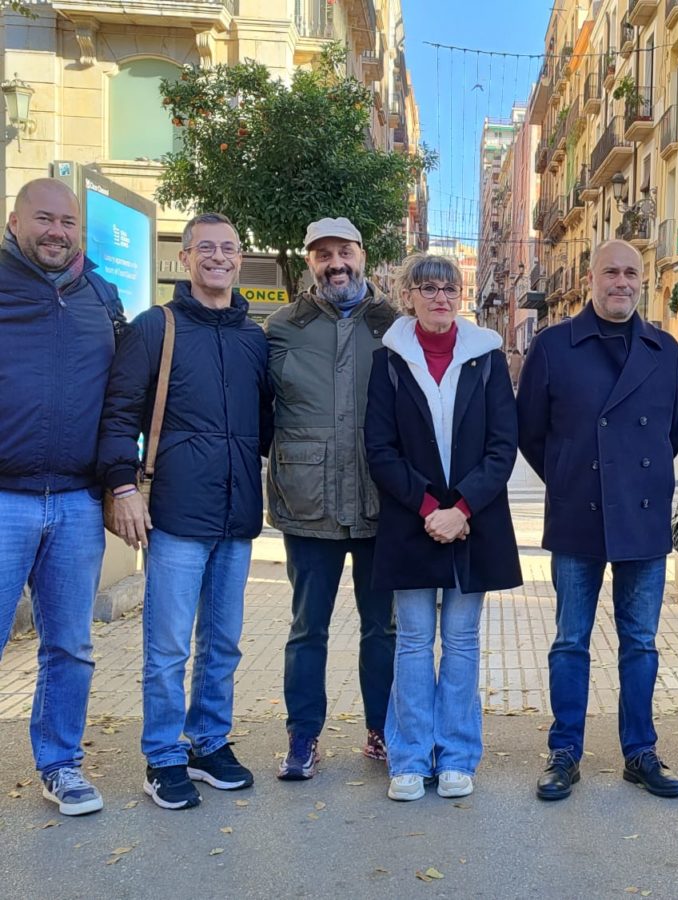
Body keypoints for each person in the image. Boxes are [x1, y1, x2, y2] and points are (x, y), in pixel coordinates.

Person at [99, 212, 272, 810]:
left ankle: (208, 743)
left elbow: (265, 427)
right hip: (174, 512)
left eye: (229, 247)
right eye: (207, 248)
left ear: (239, 256)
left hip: (237, 513)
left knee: (223, 643)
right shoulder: (156, 327)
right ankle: (163, 756)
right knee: (169, 645)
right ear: (186, 258)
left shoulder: (255, 338)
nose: (219, 257)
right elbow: (120, 412)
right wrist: (122, 485)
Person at [517, 239, 678, 801]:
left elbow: (672, 433)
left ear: (643, 281)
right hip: (578, 514)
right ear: (591, 278)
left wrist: (635, 482)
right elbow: (530, 433)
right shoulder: (553, 346)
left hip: (642, 518)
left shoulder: (665, 349)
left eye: (631, 273)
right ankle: (564, 751)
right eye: (611, 271)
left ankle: (640, 752)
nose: (622, 281)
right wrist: (571, 477)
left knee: (641, 642)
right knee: (570, 640)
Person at [365, 253, 520, 802]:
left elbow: (504, 446)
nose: (439, 297)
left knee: (459, 642)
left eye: (448, 288)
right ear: (408, 295)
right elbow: (379, 449)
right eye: (427, 287)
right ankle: (408, 756)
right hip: (414, 520)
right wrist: (430, 507)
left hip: (470, 523)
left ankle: (455, 755)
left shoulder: (486, 357)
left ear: (462, 296)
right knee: (411, 642)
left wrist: (463, 509)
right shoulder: (389, 360)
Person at [0, 178, 125, 816]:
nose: (57, 232)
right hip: (5, 499)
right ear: (14, 219)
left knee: (70, 644)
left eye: (67, 222)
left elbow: (124, 395)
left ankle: (60, 764)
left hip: (77, 500)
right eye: (44, 219)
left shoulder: (99, 295)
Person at [266, 218, 397, 780]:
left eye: (344, 251)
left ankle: (382, 730)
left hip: (380, 501)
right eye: (322, 254)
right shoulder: (281, 328)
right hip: (307, 501)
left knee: (383, 627)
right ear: (309, 261)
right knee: (306, 627)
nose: (335, 263)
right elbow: (256, 412)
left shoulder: (397, 326)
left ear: (362, 255)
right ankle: (303, 737)